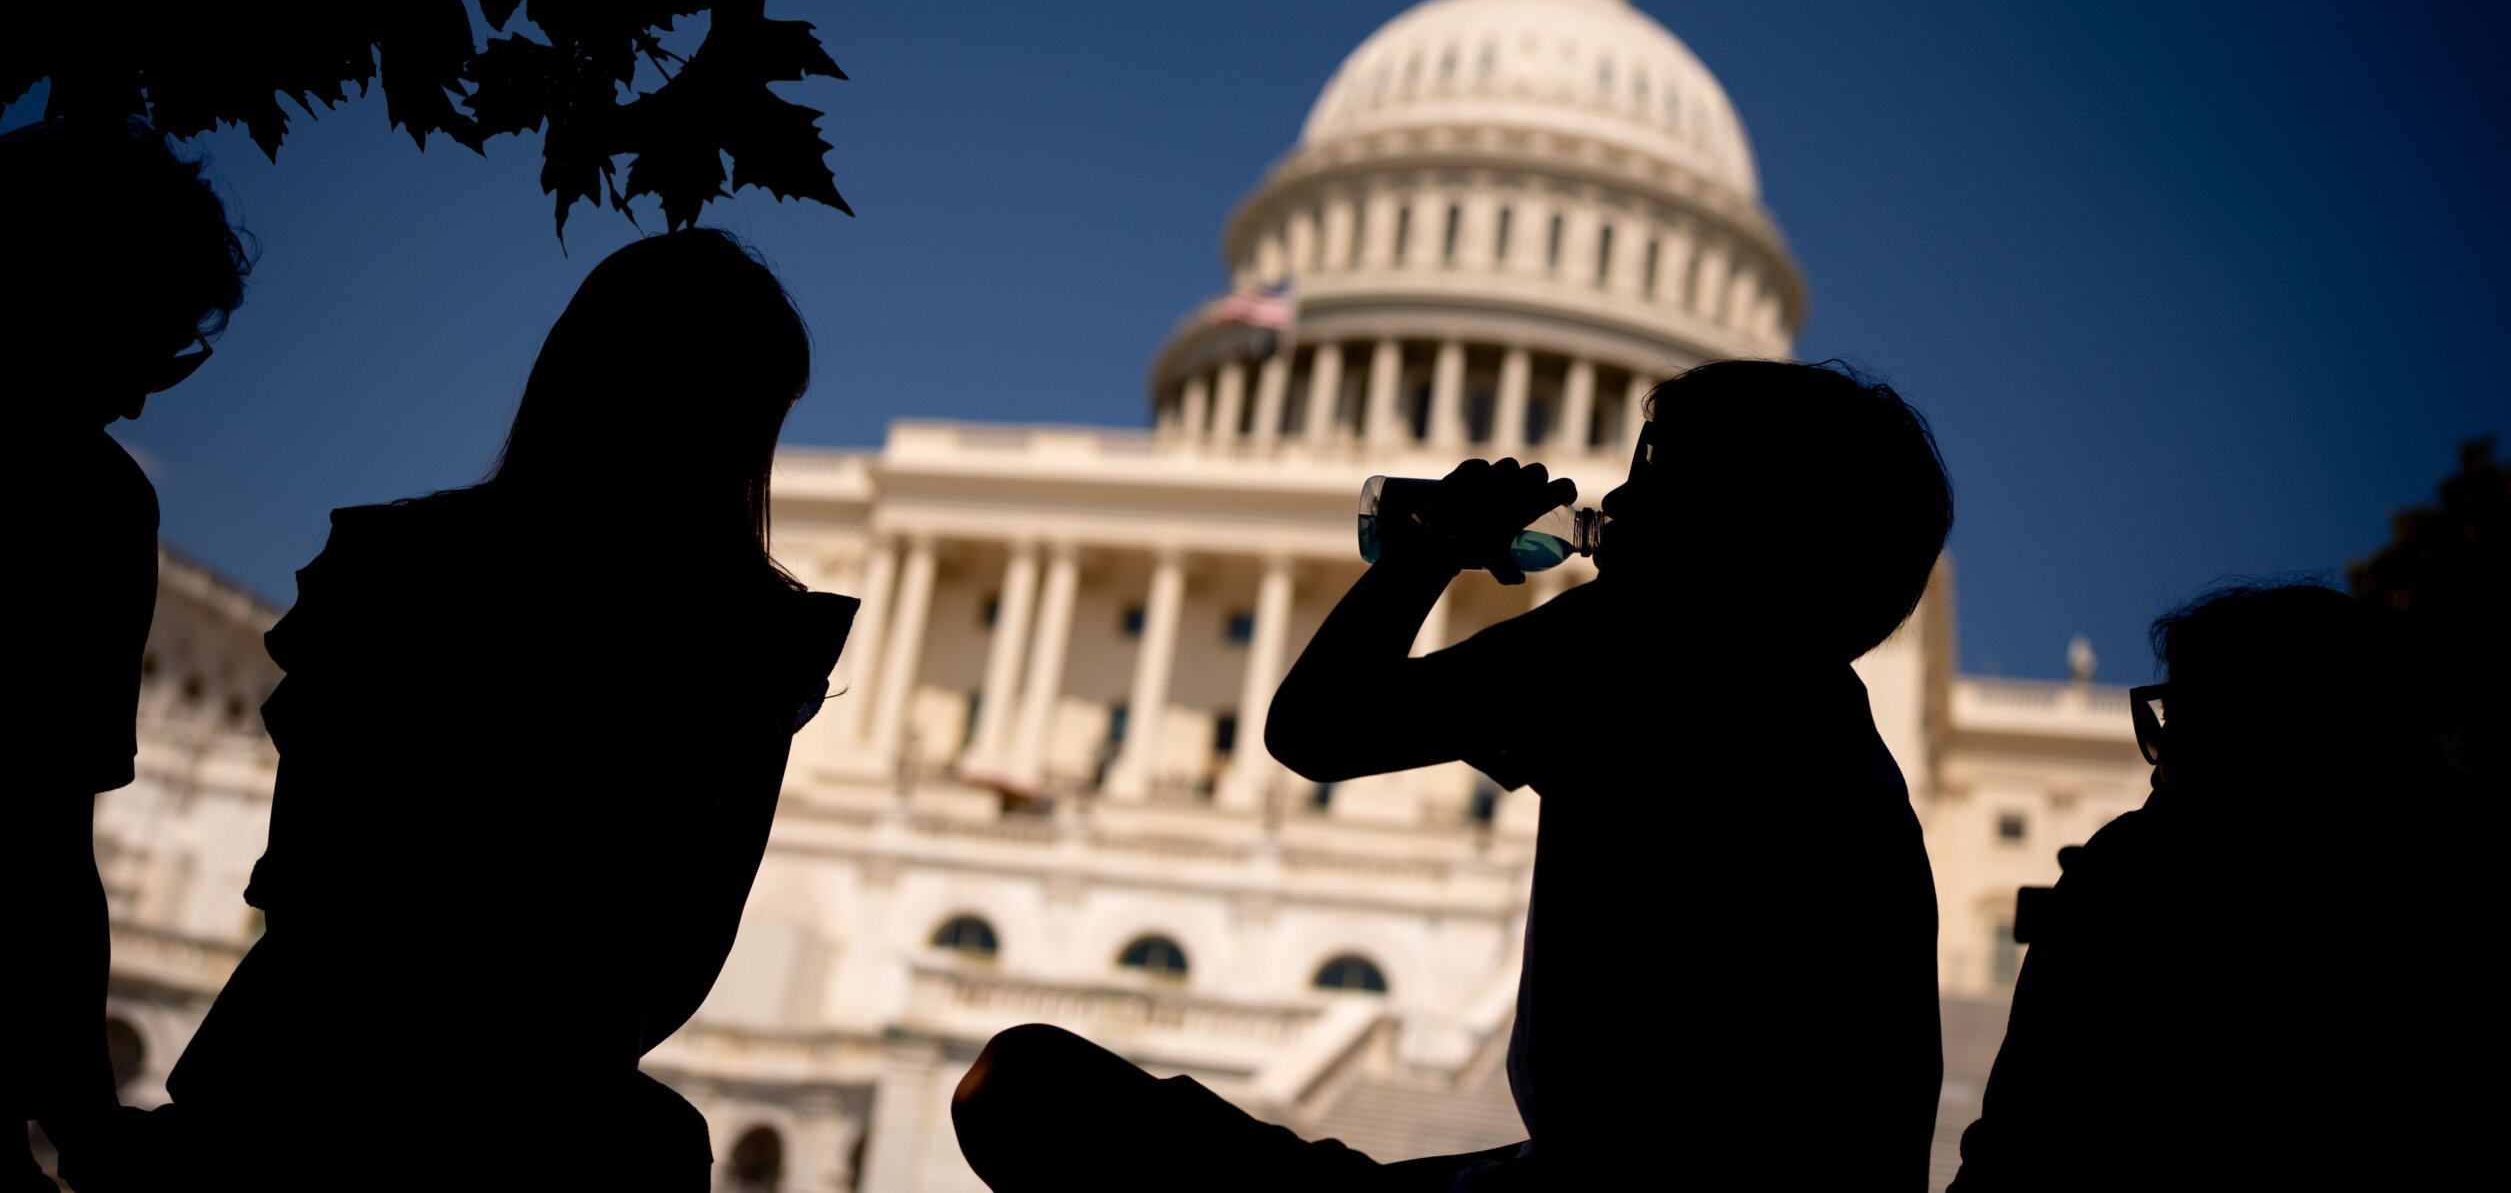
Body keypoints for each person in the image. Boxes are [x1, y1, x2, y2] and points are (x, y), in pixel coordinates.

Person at [952, 358, 1952, 1189]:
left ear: (1740, 507)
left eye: (1655, 467)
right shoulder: (1833, 733)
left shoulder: (1672, 622)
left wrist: (1426, 553)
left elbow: (1317, 728)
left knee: (1022, 1085)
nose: (1614, 501)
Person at [144, 230, 855, 1192]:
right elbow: (676, 922)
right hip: (518, 1111)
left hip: (302, 1076)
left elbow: (311, 871)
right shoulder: (739, 645)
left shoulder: (393, 570)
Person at [1949, 582, 2511, 1190]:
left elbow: (2015, 1149)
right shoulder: (2449, 919)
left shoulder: (2134, 872)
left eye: (2178, 732)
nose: (2156, 777)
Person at [3, 117, 251, 1193]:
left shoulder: (99, 501)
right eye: (149, 342)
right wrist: (89, 1126)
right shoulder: (89, 505)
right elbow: (38, 839)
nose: (146, 396)